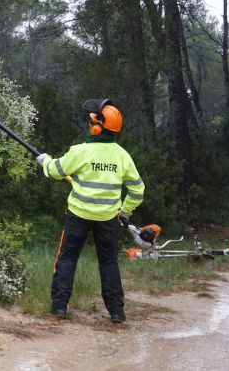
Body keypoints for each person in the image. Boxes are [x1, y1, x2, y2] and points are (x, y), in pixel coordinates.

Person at [36, 99, 144, 323]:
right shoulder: (123, 156)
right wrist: (124, 212)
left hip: (78, 216)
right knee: (109, 263)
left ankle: (59, 306)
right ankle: (116, 311)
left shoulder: (81, 151)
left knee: (67, 259)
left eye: (91, 122)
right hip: (108, 219)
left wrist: (45, 161)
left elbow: (56, 171)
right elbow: (137, 190)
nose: (89, 125)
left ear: (97, 127)